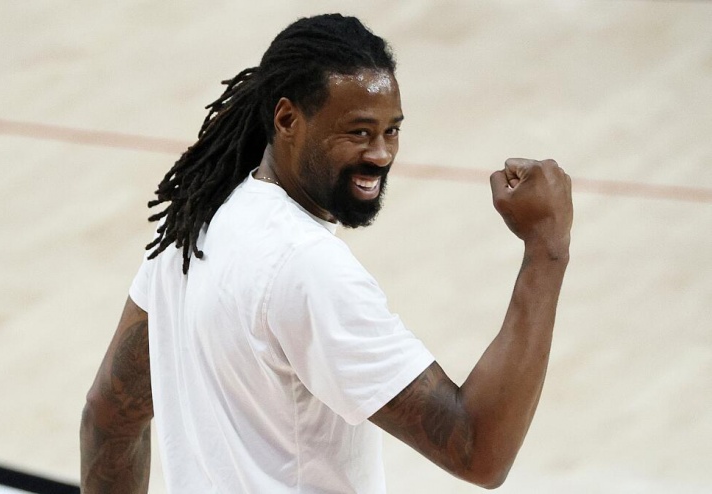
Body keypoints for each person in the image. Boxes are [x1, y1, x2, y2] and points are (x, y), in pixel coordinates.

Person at [80, 13, 572, 493]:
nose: (381, 154)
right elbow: (478, 450)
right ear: (287, 119)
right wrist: (546, 246)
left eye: (391, 130)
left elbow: (108, 415)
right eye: (359, 132)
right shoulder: (307, 267)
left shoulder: (191, 231)